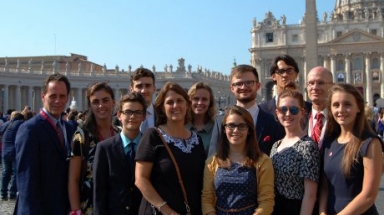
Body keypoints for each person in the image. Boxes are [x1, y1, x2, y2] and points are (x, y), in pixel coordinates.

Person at [135, 82, 206, 215]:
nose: (175, 106)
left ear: (187, 105)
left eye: (180, 101)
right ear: (162, 108)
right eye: (169, 102)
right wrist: (167, 211)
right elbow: (141, 179)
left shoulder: (197, 140)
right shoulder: (152, 136)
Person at [15, 73, 76, 215]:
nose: (57, 101)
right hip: (39, 209)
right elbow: (26, 180)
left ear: (67, 98)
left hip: (62, 208)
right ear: (43, 97)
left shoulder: (69, 128)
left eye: (62, 96)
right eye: (53, 96)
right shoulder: (29, 129)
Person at [319, 83, 383, 215]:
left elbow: (369, 195)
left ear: (358, 107)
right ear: (330, 109)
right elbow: (325, 187)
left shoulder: (370, 143)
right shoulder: (329, 142)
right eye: (336, 105)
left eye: (347, 104)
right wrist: (322, 212)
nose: (341, 110)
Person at [202, 105, 275, 215]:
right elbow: (207, 198)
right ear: (224, 129)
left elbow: (266, 201)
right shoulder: (213, 161)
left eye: (241, 126)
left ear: (249, 130)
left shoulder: (262, 161)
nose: (236, 130)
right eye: (231, 125)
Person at [208, 64, 284, 157]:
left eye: (249, 83)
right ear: (232, 88)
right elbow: (213, 160)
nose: (243, 87)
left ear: (258, 86)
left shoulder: (273, 123)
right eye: (239, 84)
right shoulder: (220, 122)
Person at [68, 82, 120, 215]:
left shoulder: (119, 133)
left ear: (113, 102)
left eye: (105, 100)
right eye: (95, 102)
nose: (101, 106)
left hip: (117, 205)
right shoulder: (81, 135)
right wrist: (76, 211)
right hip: (90, 207)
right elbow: (73, 178)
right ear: (90, 106)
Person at [270, 82, 320, 215]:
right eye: (283, 109)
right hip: (276, 208)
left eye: (293, 110)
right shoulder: (276, 145)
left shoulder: (308, 146)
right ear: (277, 112)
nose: (288, 114)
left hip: (296, 208)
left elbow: (310, 194)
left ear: (302, 112)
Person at [93, 93, 146, 215]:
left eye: (138, 112)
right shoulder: (104, 148)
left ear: (143, 116)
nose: (132, 116)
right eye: (128, 112)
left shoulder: (151, 147)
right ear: (119, 115)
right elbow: (99, 193)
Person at [260, 55, 312, 128]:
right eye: (280, 71)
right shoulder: (262, 110)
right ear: (273, 76)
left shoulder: (309, 109)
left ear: (296, 74)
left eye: (289, 71)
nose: (285, 75)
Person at [306, 66, 334, 148]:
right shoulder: (299, 119)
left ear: (332, 86)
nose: (315, 88)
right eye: (311, 83)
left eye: (321, 83)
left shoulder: (340, 118)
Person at [187, 82, 217, 154]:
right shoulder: (181, 126)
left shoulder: (217, 128)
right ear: (189, 101)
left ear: (210, 103)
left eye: (204, 99)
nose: (200, 102)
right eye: (196, 99)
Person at [0, 111, 24, 201]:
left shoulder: (6, 124)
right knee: (15, 173)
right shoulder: (21, 124)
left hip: (4, 151)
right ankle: (13, 193)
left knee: (5, 172)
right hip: (14, 151)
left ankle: (3, 193)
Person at [130, 67, 157, 133]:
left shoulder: (164, 116)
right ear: (131, 90)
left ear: (154, 89)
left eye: (148, 86)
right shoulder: (118, 119)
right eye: (139, 86)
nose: (144, 91)